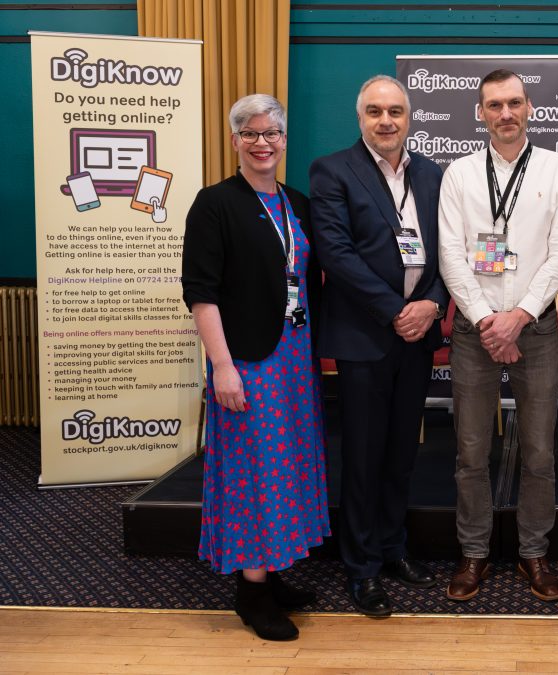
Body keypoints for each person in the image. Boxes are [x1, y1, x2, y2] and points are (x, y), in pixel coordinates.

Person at [181, 93, 329, 641]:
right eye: (250, 133)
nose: (262, 142)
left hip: (293, 358)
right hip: (246, 361)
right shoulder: (214, 203)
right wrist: (221, 366)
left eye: (271, 133)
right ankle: (252, 592)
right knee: (252, 476)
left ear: (285, 141)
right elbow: (200, 292)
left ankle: (273, 573)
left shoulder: (296, 203)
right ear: (235, 141)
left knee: (286, 468)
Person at [309, 75, 447, 617]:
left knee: (400, 454)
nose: (386, 121)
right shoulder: (332, 170)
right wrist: (396, 311)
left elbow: (449, 251)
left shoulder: (433, 174)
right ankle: (361, 566)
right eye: (374, 112)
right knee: (363, 456)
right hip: (366, 335)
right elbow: (336, 253)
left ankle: (392, 548)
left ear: (409, 117)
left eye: (395, 111)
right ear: (360, 118)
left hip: (418, 335)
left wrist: (431, 304)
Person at [438, 69, 558, 602]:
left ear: (530, 108)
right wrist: (485, 321)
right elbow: (451, 254)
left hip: (535, 328)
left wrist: (518, 315)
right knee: (472, 451)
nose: (505, 114)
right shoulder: (459, 175)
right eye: (494, 104)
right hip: (476, 331)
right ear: (479, 112)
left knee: (539, 451)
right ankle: (473, 553)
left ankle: (533, 552)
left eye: (514, 103)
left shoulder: (557, 169)